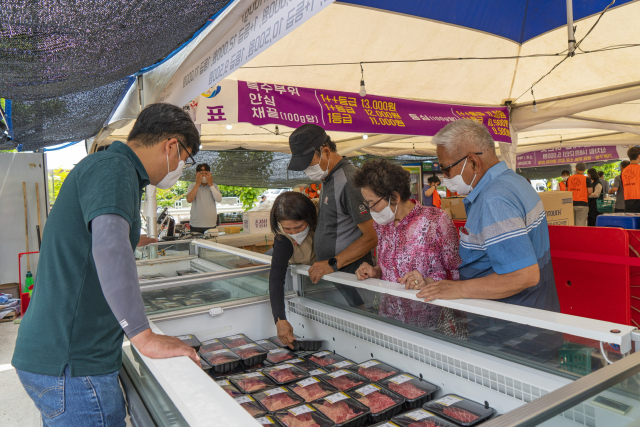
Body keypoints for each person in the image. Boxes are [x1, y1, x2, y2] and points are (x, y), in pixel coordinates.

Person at [12, 103, 201, 427]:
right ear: (171, 145)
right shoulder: (115, 169)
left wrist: (138, 240)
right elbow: (109, 246)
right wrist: (144, 337)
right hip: (74, 364)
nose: (180, 167)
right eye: (184, 159)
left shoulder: (107, 168)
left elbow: (94, 237)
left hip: (55, 356)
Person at [413, 119, 560, 312]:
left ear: (473, 162)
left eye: (446, 169)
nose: (445, 178)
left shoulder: (494, 199)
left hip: (511, 325)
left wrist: (459, 289)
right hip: (538, 311)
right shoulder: (516, 182)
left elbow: (523, 275)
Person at [353, 159, 461, 328]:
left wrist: (427, 281)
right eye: (367, 204)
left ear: (395, 197)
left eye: (373, 203)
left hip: (430, 322)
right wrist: (375, 271)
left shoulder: (436, 220)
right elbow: (390, 266)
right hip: (389, 319)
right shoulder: (381, 225)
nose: (370, 210)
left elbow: (456, 274)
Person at [287, 124, 377, 307]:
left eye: (308, 163)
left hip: (352, 274)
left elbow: (372, 235)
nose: (307, 170)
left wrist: (333, 263)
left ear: (325, 151)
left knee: (361, 321)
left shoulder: (349, 181)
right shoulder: (328, 178)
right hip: (335, 273)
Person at [268, 192, 317, 348]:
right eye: (288, 228)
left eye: (299, 227)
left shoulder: (323, 224)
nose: (295, 233)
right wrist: (280, 319)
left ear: (310, 218)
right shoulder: (283, 239)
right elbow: (276, 278)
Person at [186, 163, 222, 233]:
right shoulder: (192, 186)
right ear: (197, 174)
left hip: (211, 224)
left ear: (210, 174)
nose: (204, 175)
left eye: (206, 173)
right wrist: (197, 184)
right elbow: (189, 200)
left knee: (211, 244)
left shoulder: (214, 186)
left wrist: (210, 185)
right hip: (196, 224)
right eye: (201, 173)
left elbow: (219, 199)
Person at [567, 163, 593, 227]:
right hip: (583, 204)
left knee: (572, 224)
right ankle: (579, 236)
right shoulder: (587, 179)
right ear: (584, 169)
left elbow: (566, 191)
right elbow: (590, 191)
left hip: (571, 204)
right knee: (581, 225)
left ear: (576, 169)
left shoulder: (569, 178)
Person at [622, 146, 640, 213]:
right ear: (639, 156)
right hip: (638, 199)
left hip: (627, 199)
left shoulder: (624, 170)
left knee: (631, 221)